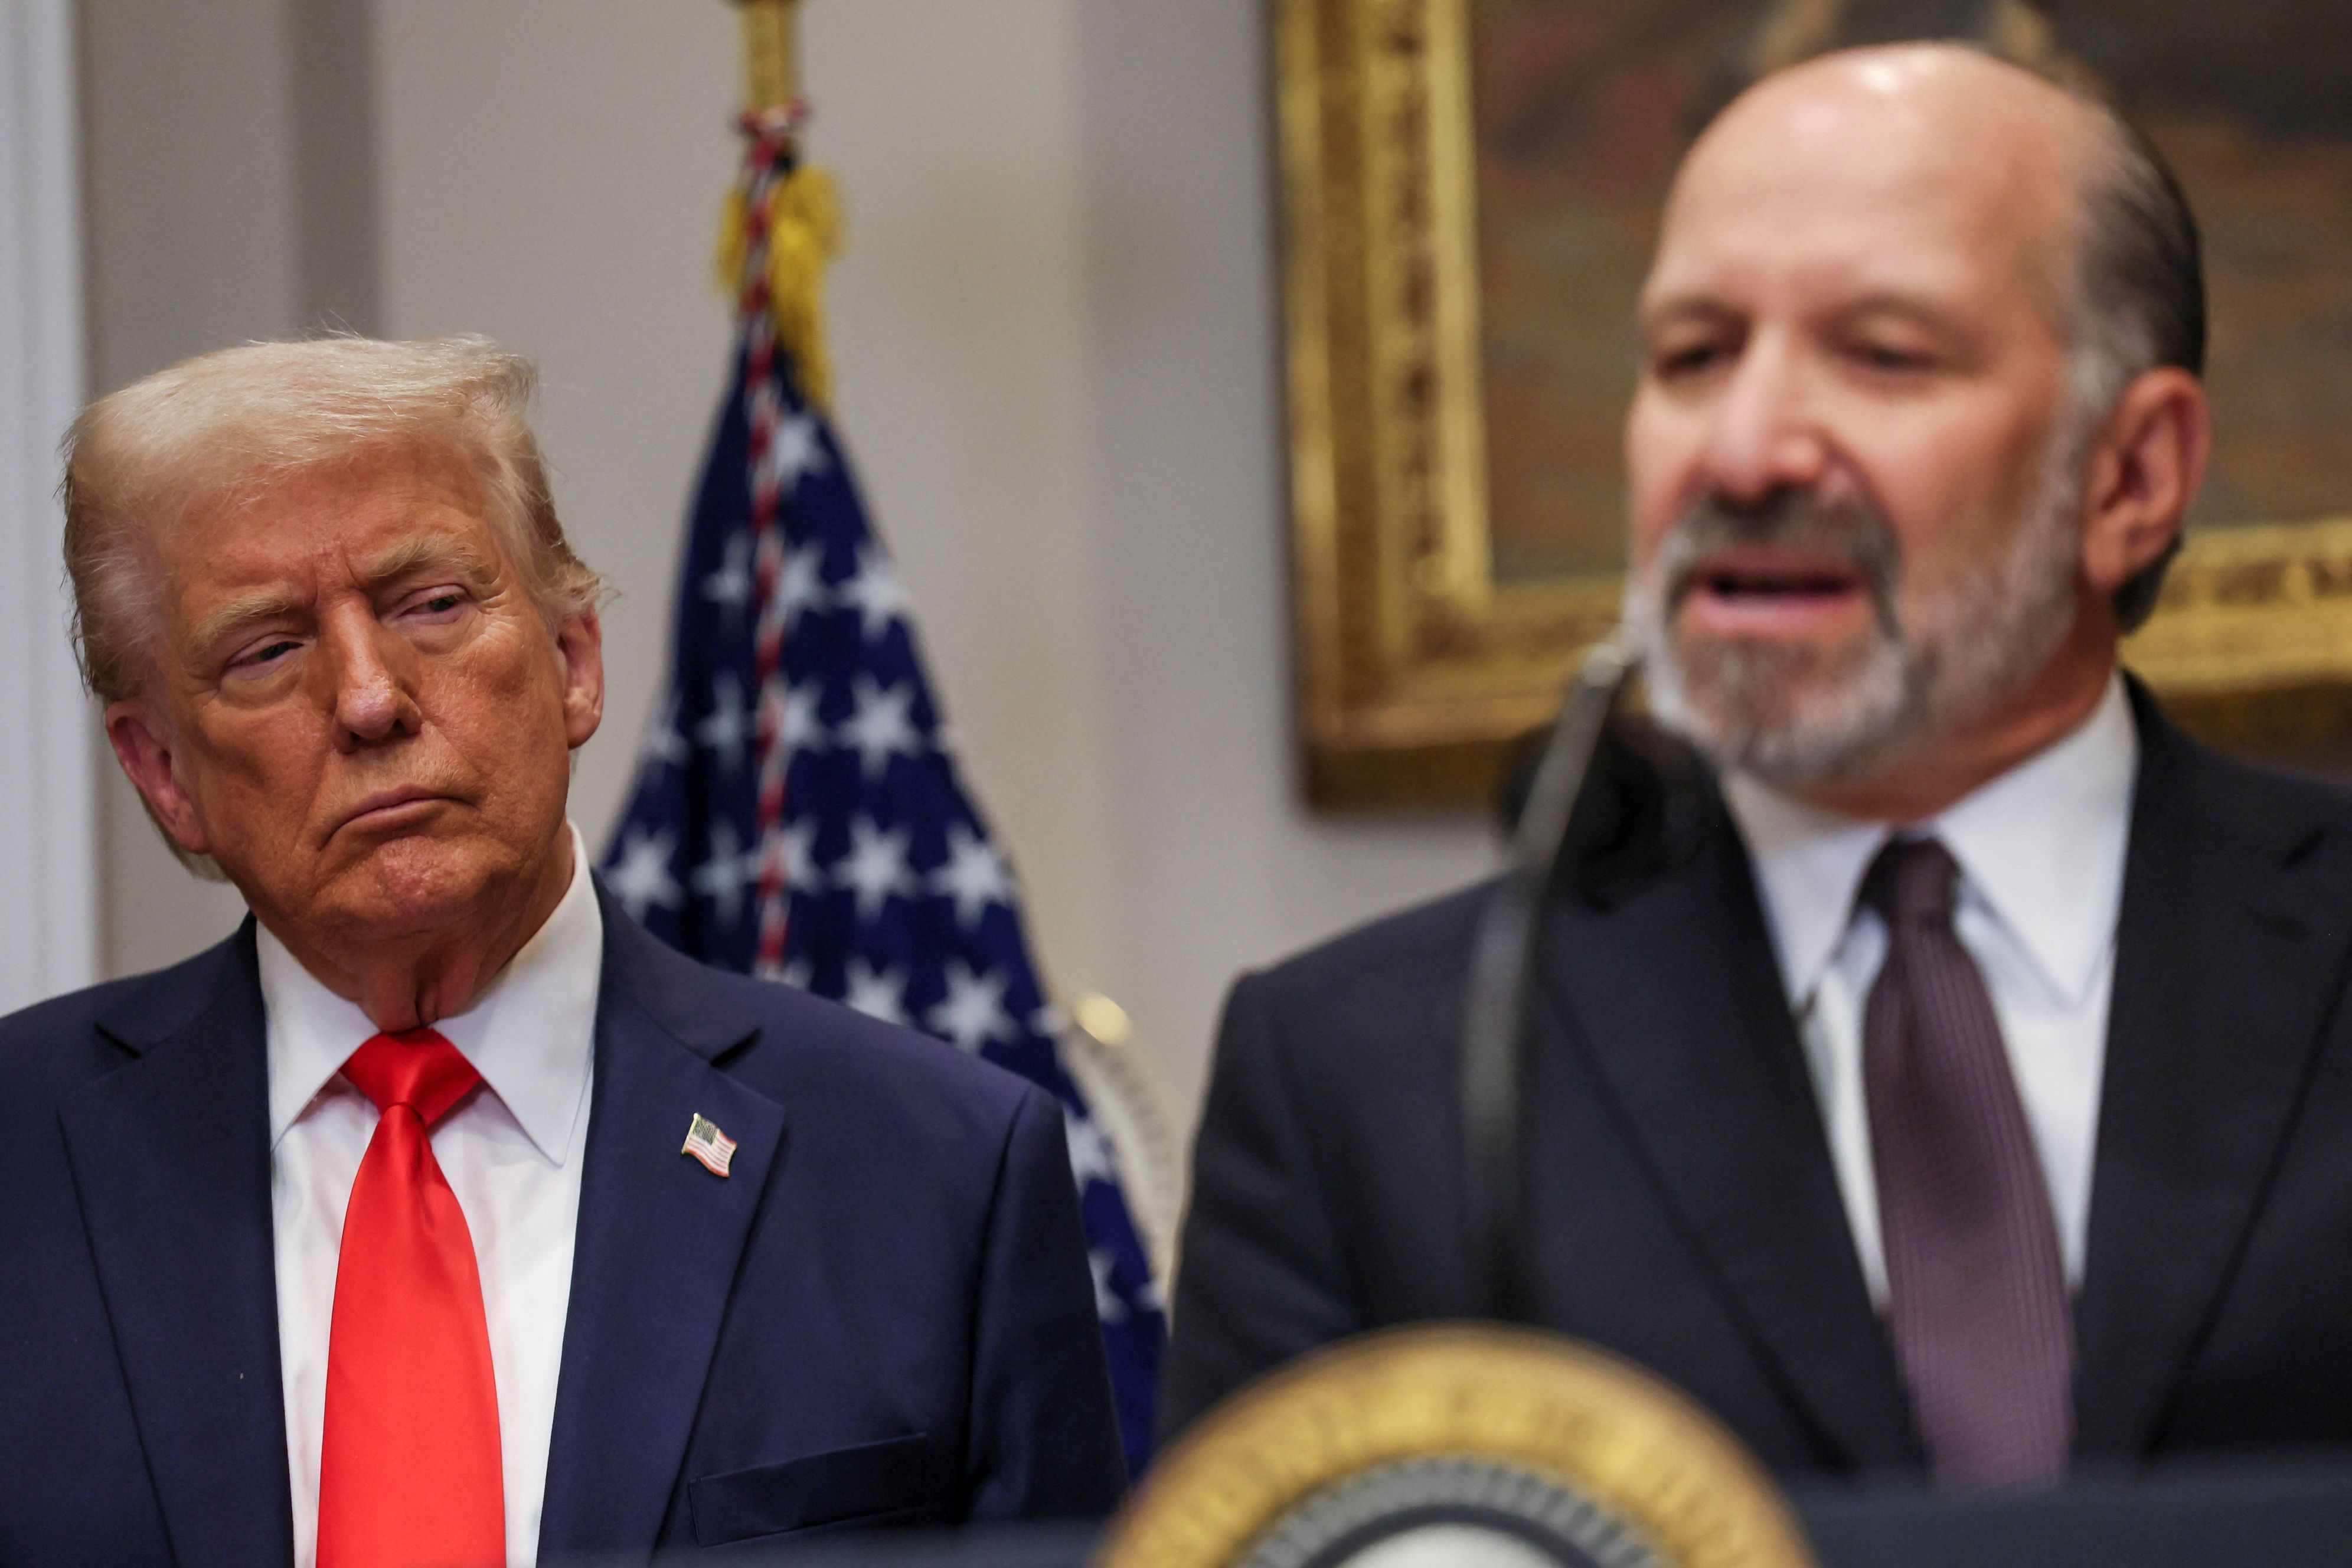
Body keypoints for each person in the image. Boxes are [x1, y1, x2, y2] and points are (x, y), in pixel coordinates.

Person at [1165, 42, 2352, 1489]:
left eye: (1883, 355)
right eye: (1693, 356)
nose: (1742, 449)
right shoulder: (1367, 1077)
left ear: (2131, 476)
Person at [0, 336, 1125, 1565]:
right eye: (268, 648)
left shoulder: (937, 1170)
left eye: (430, 602)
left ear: (574, 660)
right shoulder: (22, 1152)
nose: (371, 696)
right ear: (162, 770)